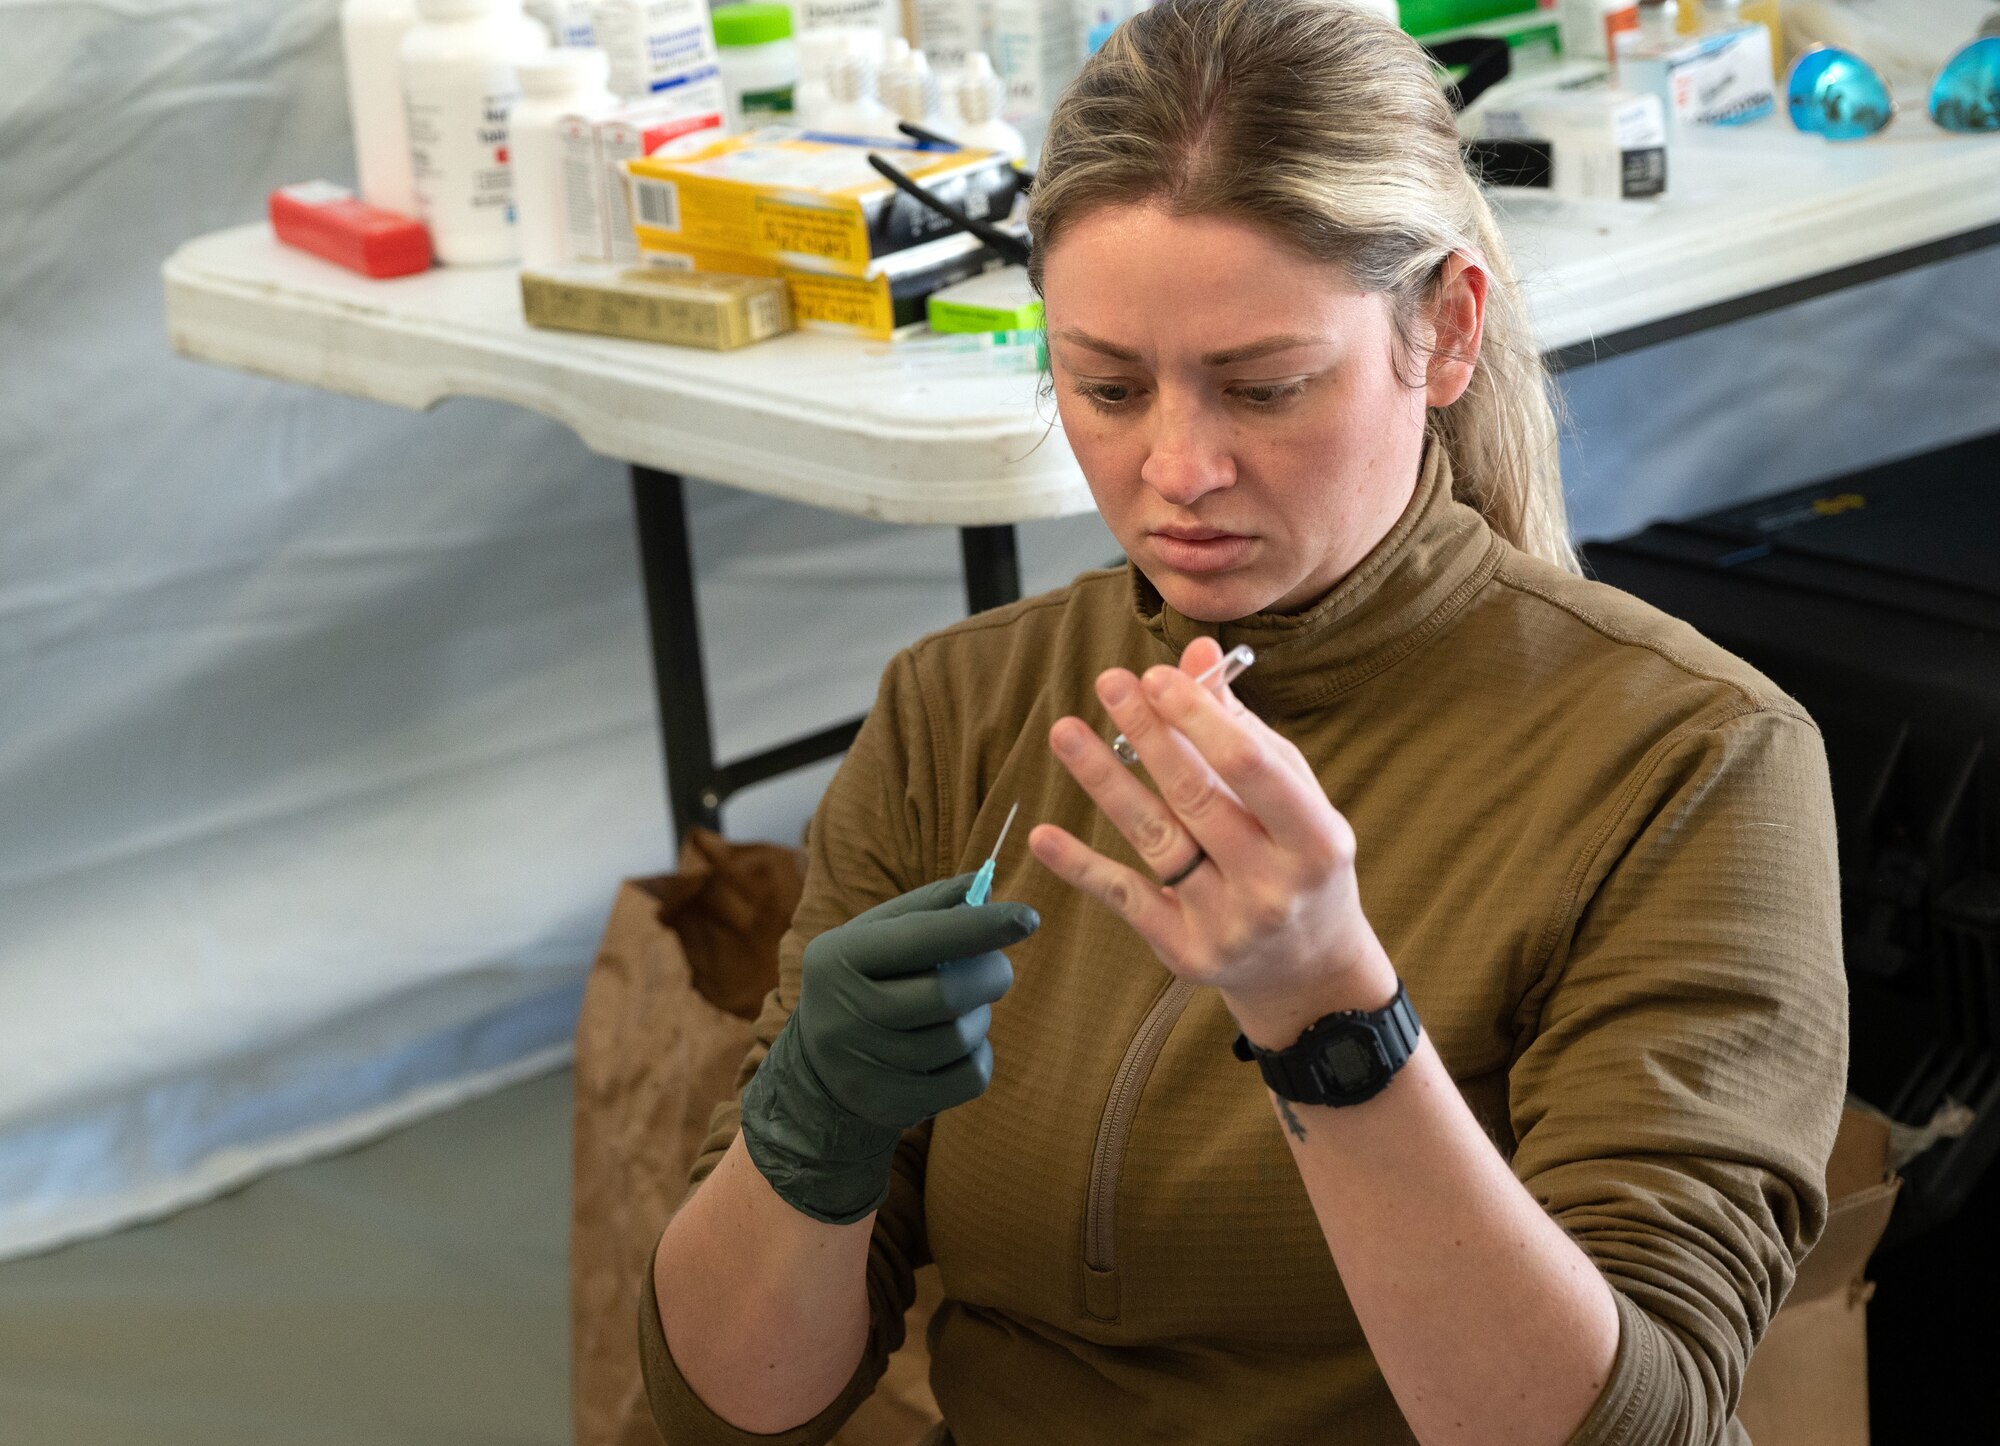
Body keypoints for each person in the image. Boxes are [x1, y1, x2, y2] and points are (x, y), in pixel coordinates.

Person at [641, 0, 1849, 1441]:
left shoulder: (1689, 763)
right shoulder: (960, 712)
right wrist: (807, 1128)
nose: (1178, 467)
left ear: (1445, 331)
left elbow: (1633, 1427)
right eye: (1104, 385)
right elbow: (731, 1408)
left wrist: (1335, 1019)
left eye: (1265, 386)